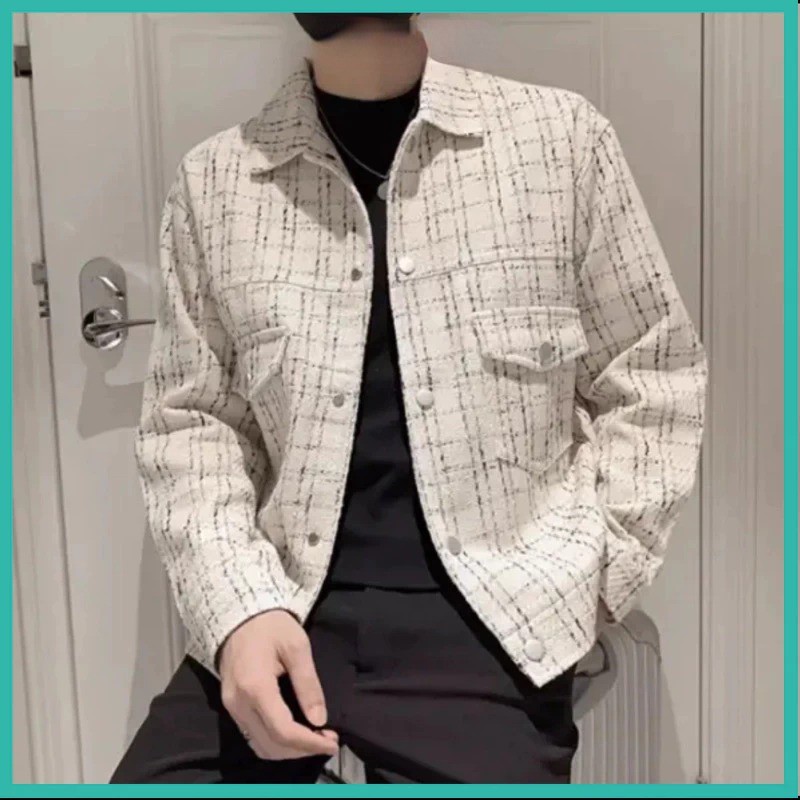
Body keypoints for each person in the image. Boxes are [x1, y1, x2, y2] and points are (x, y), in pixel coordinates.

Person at [111, 12, 708, 784]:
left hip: (494, 624)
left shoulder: (558, 142)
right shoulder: (217, 182)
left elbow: (653, 371)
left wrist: (592, 581)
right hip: (283, 602)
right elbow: (191, 424)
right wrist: (238, 612)